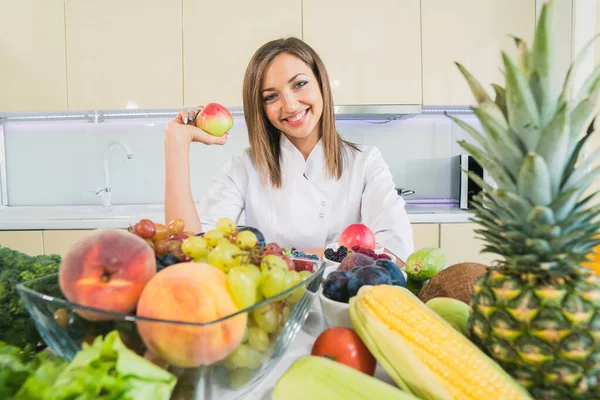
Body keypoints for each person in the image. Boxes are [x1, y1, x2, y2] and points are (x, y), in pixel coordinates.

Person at [164, 37, 414, 263]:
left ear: (321, 84)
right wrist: (176, 143)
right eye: (271, 97)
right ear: (261, 108)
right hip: (274, 306)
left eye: (300, 84)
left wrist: (280, 257)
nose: (290, 105)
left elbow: (397, 251)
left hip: (344, 307)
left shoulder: (365, 162)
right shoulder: (245, 166)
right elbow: (192, 249)